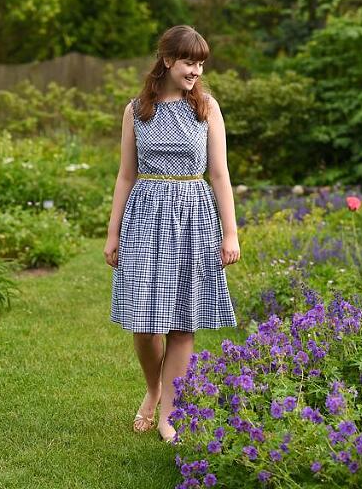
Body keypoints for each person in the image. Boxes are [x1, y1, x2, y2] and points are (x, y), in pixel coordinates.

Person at [104, 25, 240, 443]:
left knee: (182, 322)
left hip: (195, 215)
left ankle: (167, 414)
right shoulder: (137, 109)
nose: (196, 70)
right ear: (167, 60)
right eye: (188, 62)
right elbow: (126, 176)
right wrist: (113, 234)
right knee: (144, 324)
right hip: (145, 215)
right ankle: (153, 388)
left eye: (201, 63)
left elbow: (219, 174)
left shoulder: (207, 108)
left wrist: (230, 233)